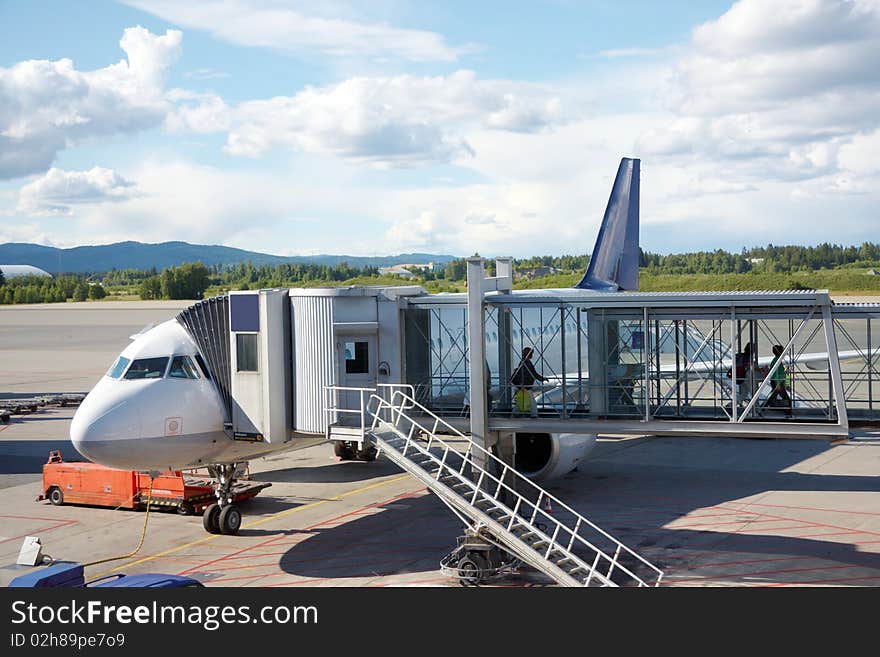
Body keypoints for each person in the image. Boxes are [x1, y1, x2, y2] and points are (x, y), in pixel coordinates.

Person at [511, 347, 548, 417]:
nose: (532, 355)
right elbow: (533, 373)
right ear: (529, 354)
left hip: (522, 385)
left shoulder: (523, 361)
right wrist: (543, 379)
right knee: (532, 401)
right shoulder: (527, 363)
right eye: (532, 354)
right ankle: (534, 414)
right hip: (525, 385)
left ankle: (515, 413)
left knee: (521, 400)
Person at [762, 344, 792, 414]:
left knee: (773, 396)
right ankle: (788, 410)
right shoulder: (777, 361)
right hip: (777, 382)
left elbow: (779, 372)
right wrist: (779, 383)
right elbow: (777, 373)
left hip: (776, 381)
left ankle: (763, 407)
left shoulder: (776, 360)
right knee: (785, 398)